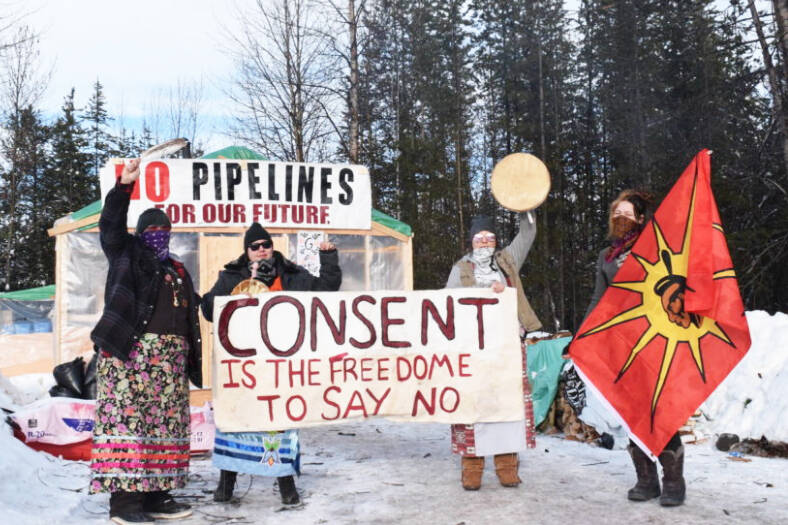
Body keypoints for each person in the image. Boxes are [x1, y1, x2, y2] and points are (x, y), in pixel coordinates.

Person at [89, 158, 201, 524]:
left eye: (164, 229)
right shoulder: (126, 253)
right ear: (140, 232)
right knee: (128, 425)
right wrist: (124, 188)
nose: (158, 233)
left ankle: (155, 496)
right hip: (130, 357)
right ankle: (124, 505)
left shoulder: (177, 268)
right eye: (151, 228)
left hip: (169, 364)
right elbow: (109, 226)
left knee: (164, 427)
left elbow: (191, 313)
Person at [201, 223, 342, 505]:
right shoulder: (231, 275)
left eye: (266, 245)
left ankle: (285, 482)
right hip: (242, 364)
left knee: (278, 421)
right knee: (235, 419)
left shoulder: (291, 274)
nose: (262, 250)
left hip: (278, 363)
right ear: (247, 252)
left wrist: (329, 259)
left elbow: (326, 290)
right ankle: (227, 482)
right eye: (255, 247)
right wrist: (246, 284)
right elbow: (208, 309)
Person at [583, 189, 685, 507]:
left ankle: (673, 482)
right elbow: (599, 300)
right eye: (617, 213)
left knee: (659, 411)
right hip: (621, 344)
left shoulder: (655, 248)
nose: (621, 219)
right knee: (631, 413)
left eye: (628, 214)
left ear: (641, 219)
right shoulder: (606, 257)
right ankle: (646, 480)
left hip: (655, 339)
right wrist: (583, 335)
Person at [446, 212, 543, 490]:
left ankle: (506, 466)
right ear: (471, 242)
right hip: (473, 347)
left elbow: (527, 234)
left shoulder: (507, 261)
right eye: (480, 238)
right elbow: (448, 304)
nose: (485, 242)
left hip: (507, 345)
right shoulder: (460, 268)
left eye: (490, 237)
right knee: (473, 407)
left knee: (508, 405)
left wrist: (526, 208)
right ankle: (472, 469)